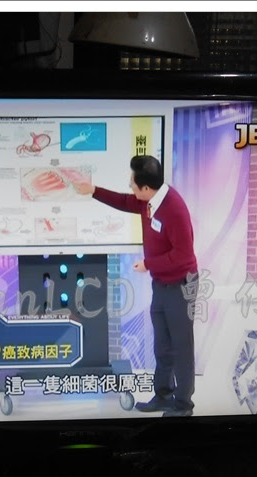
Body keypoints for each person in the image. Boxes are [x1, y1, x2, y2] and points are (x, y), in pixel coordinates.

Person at [75, 155, 198, 417]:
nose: (130, 186)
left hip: (181, 285)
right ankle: (163, 396)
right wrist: (93, 190)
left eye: (132, 183)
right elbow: (123, 201)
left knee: (181, 346)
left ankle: (183, 405)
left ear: (146, 187)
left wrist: (148, 264)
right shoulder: (148, 201)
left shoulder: (174, 209)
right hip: (161, 283)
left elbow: (184, 256)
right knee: (162, 345)